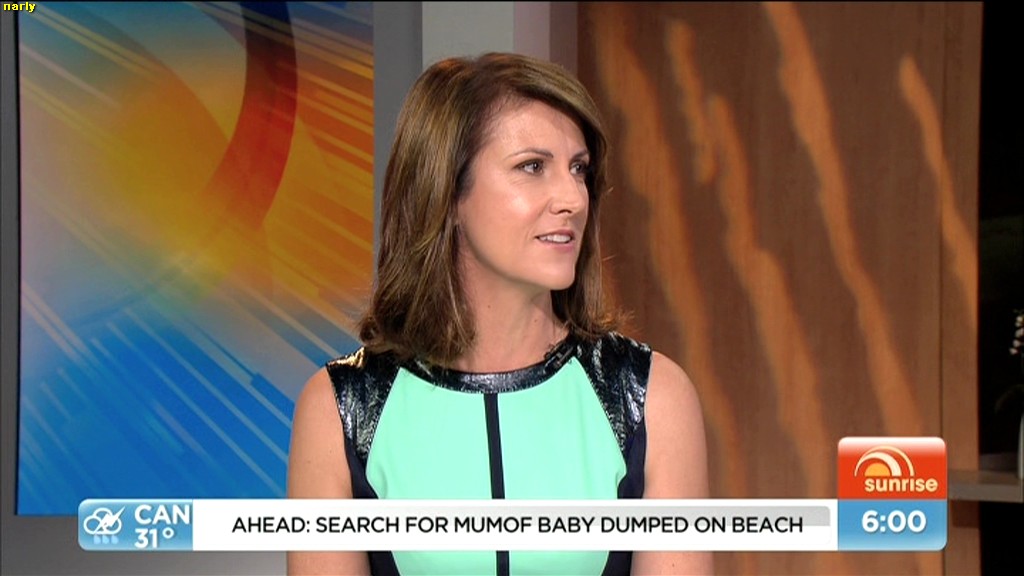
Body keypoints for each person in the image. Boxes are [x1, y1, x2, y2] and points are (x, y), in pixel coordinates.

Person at [287, 52, 711, 576]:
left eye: (578, 169)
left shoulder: (651, 399)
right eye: (532, 167)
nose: (573, 198)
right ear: (448, 194)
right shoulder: (340, 409)